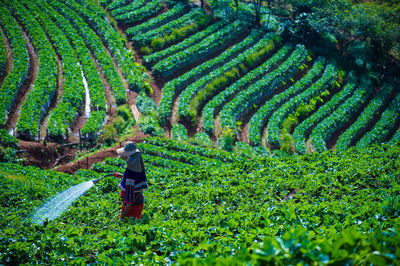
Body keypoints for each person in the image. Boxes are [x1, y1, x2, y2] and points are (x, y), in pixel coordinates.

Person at [113, 141, 148, 220]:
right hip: (138, 201)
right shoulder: (138, 166)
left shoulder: (131, 171)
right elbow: (134, 180)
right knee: (135, 221)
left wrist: (127, 205)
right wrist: (122, 176)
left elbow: (129, 188)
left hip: (132, 203)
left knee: (125, 222)